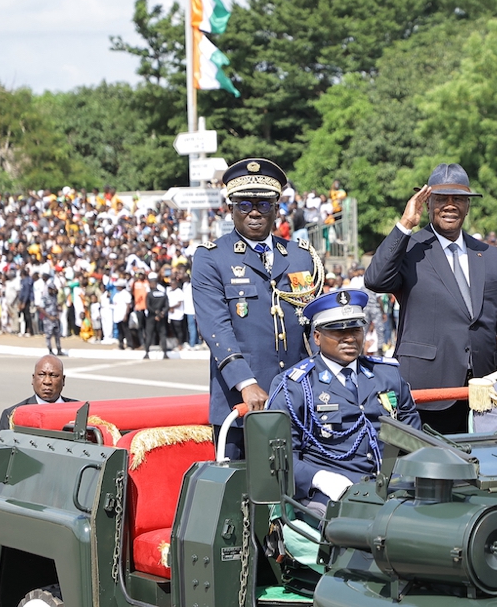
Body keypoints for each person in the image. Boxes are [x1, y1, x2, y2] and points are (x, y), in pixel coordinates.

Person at [364, 163, 497, 434]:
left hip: (482, 390)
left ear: (468, 205)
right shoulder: (411, 248)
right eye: (441, 199)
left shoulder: (489, 255)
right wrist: (405, 225)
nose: (450, 205)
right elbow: (375, 279)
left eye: (458, 198)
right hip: (428, 390)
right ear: (427, 203)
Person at [193, 158, 324, 459]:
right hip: (241, 403)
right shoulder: (211, 258)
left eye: (264, 204)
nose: (254, 212)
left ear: (277, 209)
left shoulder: (299, 256)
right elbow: (216, 328)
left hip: (299, 398)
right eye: (244, 204)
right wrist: (246, 383)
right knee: (243, 495)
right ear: (230, 209)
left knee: (299, 490)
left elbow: (314, 325)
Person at [267, 290, 419, 515]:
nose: (350, 338)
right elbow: (279, 459)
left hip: (392, 486)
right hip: (331, 494)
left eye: (355, 329)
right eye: (338, 331)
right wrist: (320, 479)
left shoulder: (387, 375)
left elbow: (414, 439)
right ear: (317, 337)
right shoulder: (295, 386)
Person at [0, 354, 76, 431]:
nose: (47, 381)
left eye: (53, 375)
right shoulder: (13, 415)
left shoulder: (79, 411)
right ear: (33, 379)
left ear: (63, 380)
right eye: (41, 375)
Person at [143, 272, 170, 359]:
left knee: (149, 335)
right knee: (163, 334)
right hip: (161, 317)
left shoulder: (150, 294)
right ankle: (165, 353)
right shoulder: (163, 293)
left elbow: (148, 306)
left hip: (151, 317)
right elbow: (167, 306)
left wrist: (155, 313)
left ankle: (147, 353)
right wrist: (161, 313)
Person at [43, 281, 64, 357]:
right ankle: (50, 350)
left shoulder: (54, 296)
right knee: (48, 336)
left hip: (55, 319)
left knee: (57, 335)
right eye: (51, 289)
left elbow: (56, 305)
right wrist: (49, 316)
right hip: (48, 319)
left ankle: (59, 349)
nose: (52, 290)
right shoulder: (45, 297)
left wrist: (58, 313)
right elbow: (40, 308)